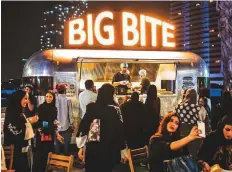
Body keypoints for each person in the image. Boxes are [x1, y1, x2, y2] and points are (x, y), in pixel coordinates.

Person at [78, 83, 125, 172]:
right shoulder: (114, 110)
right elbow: (120, 131)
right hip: (108, 150)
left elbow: (83, 127)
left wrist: (81, 147)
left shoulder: (91, 107)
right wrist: (122, 150)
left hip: (93, 149)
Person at [4, 90, 38, 172]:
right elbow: (15, 132)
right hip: (15, 153)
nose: (27, 101)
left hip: (22, 151)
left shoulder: (20, 112)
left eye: (28, 98)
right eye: (25, 98)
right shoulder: (12, 113)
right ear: (18, 99)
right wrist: (28, 122)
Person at [174, 88, 211, 158]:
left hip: (179, 138)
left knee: (180, 158)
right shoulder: (200, 109)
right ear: (196, 97)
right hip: (195, 139)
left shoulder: (178, 107)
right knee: (193, 160)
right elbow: (202, 127)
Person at [32, 90, 63, 172]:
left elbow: (54, 121)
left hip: (50, 133)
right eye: (47, 97)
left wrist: (57, 133)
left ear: (53, 98)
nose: (48, 98)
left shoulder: (54, 108)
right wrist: (47, 125)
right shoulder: (41, 107)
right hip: (41, 133)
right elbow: (39, 121)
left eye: (50, 97)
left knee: (49, 153)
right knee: (40, 154)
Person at [55, 84, 73, 155]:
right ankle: (67, 158)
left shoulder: (55, 99)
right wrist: (72, 123)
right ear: (65, 90)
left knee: (57, 143)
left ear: (57, 90)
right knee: (66, 143)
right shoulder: (68, 100)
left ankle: (57, 158)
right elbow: (70, 114)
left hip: (56, 125)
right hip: (66, 124)